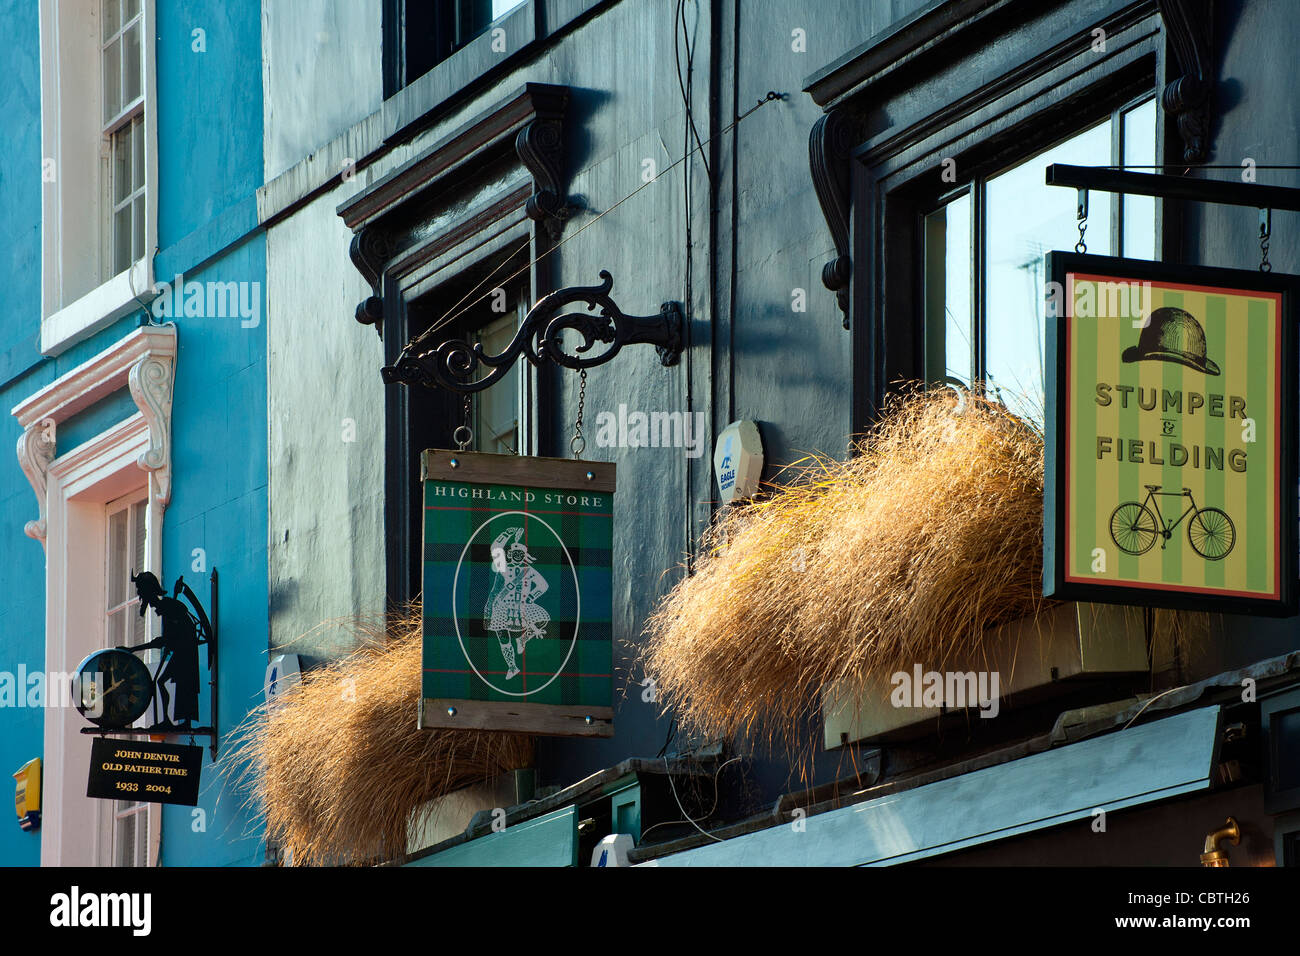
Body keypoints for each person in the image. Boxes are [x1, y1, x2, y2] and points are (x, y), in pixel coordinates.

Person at [124, 571, 203, 729]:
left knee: (176, 684)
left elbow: (165, 640)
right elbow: (168, 638)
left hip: (185, 654)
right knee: (165, 683)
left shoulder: (168, 606)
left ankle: (177, 721)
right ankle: (173, 720)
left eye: (140, 589)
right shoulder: (166, 606)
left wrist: (134, 649)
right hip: (182, 652)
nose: (139, 593)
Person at [484, 528, 550, 680]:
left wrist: (531, 597)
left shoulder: (529, 570)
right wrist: (507, 533)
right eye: (515, 554)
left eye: (521, 554)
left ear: (524, 556)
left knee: (543, 619)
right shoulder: (503, 567)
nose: (518, 556)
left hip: (522, 607)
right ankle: (512, 667)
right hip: (502, 607)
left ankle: (523, 638)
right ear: (510, 555)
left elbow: (543, 585)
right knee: (503, 636)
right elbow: (495, 548)